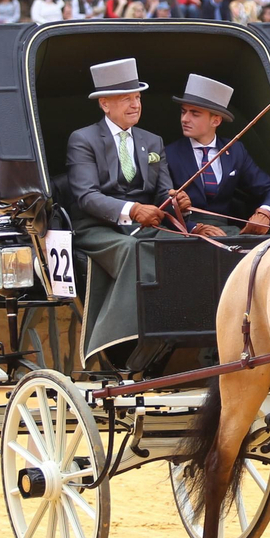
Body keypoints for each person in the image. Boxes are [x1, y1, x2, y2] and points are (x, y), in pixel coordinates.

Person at [65, 59, 181, 360]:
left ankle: (182, 330)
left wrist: (176, 200)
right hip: (95, 227)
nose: (135, 104)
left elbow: (162, 191)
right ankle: (118, 339)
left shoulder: (152, 140)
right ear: (105, 104)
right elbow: (86, 196)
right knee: (131, 248)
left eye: (138, 97)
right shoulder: (83, 139)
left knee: (184, 247)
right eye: (126, 98)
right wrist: (132, 209)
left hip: (142, 224)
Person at [164, 73, 270, 235]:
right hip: (182, 233)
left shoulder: (236, 151)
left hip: (226, 233)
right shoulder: (169, 153)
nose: (184, 119)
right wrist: (193, 228)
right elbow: (160, 204)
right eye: (183, 111)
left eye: (195, 113)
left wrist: (265, 212)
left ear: (216, 120)